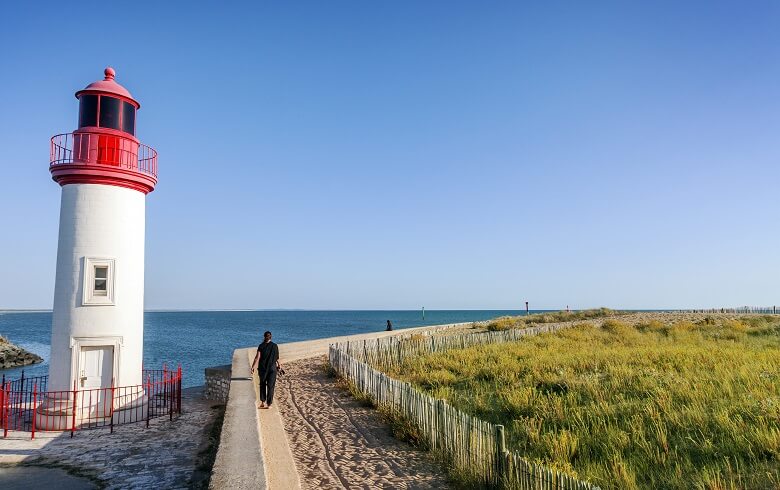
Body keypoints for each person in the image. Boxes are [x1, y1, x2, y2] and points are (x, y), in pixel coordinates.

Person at [250, 330, 281, 409]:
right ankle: (269, 404)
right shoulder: (275, 346)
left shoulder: (261, 346)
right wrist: (279, 366)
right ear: (271, 337)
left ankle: (262, 402)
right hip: (272, 369)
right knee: (271, 386)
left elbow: (257, 358)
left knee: (262, 385)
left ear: (264, 337)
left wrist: (253, 367)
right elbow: (277, 358)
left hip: (262, 369)